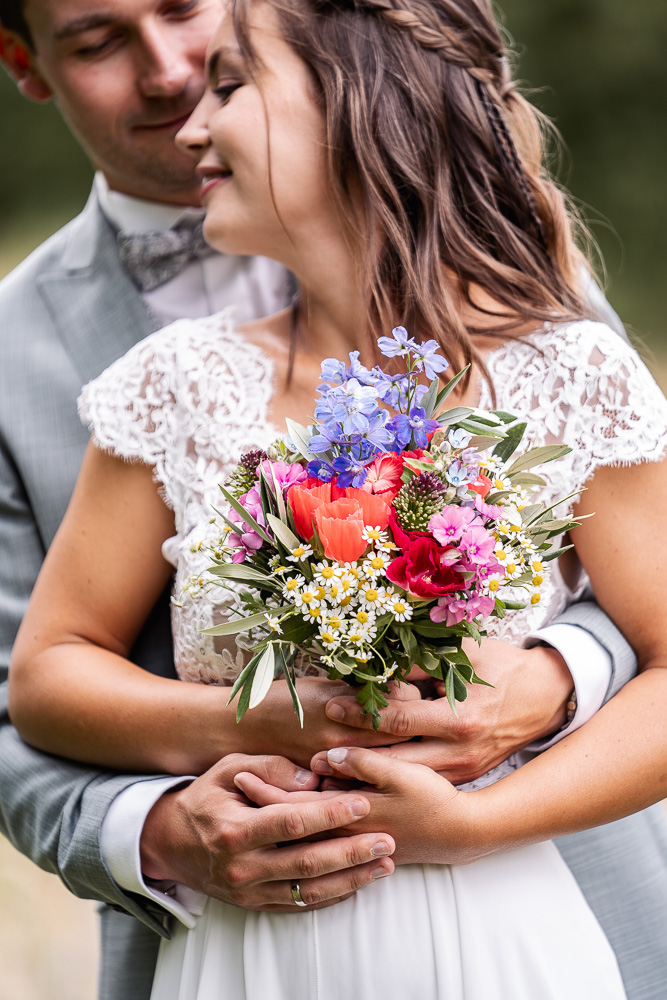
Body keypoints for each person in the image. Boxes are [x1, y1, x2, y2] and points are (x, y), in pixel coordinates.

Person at [7, 0, 667, 997]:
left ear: (354, 104)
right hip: (246, 948)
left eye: (229, 80)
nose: (188, 113)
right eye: (98, 41)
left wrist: (503, 765)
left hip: (510, 928)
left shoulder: (560, 361)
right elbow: (40, 679)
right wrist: (267, 727)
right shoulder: (169, 380)